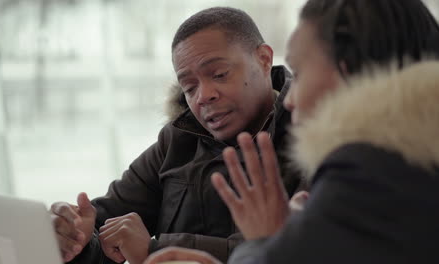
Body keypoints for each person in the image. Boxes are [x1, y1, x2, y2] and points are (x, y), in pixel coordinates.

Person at [144, 0, 439, 263]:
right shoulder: (405, 164)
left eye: (299, 72)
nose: (290, 98)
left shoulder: (364, 174)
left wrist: (268, 242)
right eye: (189, 87)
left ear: (345, 70)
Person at [49, 7, 305, 264]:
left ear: (263, 59)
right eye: (190, 88)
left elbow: (295, 250)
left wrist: (154, 250)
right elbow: (105, 229)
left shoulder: (315, 142)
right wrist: (74, 237)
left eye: (219, 74)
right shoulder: (177, 140)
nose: (203, 96)